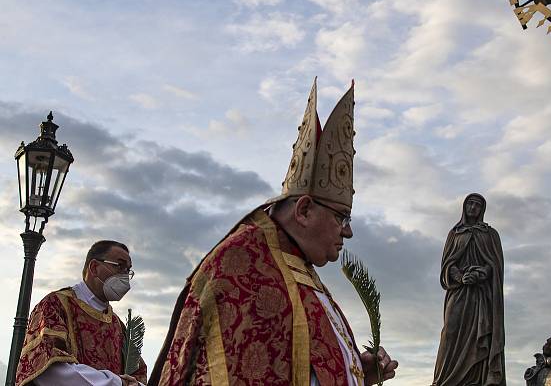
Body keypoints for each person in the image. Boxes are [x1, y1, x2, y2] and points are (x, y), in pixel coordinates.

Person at [149, 79, 398, 386]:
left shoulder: (297, 267)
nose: (347, 232)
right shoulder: (244, 264)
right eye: (341, 217)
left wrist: (355, 370)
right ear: (304, 210)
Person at [16, 240, 147, 386]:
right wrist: (116, 383)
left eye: (128, 270)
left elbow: (137, 374)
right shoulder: (55, 305)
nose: (125, 276)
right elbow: (50, 371)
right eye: (120, 266)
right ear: (94, 267)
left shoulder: (118, 325)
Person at [432, 193, 505, 386]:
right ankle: (443, 381)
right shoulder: (455, 233)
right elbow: (447, 264)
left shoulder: (490, 234)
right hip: (458, 293)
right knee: (450, 333)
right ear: (464, 206)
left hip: (481, 296)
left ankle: (476, 380)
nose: (473, 207)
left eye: (477, 205)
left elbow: (495, 265)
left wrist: (481, 273)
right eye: (470, 203)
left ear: (482, 209)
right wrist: (459, 276)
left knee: (481, 336)